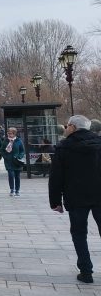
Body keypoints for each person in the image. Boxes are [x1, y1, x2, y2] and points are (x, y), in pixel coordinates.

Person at [48, 115, 101, 283]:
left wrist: (55, 201)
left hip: (76, 197)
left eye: (67, 125)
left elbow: (56, 177)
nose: (66, 128)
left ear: (73, 127)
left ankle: (86, 271)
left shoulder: (64, 147)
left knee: (79, 233)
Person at [0, 126, 25, 197]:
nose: (9, 134)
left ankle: (17, 190)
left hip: (17, 162)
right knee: (11, 175)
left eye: (10, 133)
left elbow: (22, 151)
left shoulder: (18, 141)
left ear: (14, 134)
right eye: (8, 133)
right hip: (9, 162)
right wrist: (5, 157)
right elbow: (2, 150)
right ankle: (12, 189)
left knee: (17, 176)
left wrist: (19, 156)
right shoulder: (5, 141)